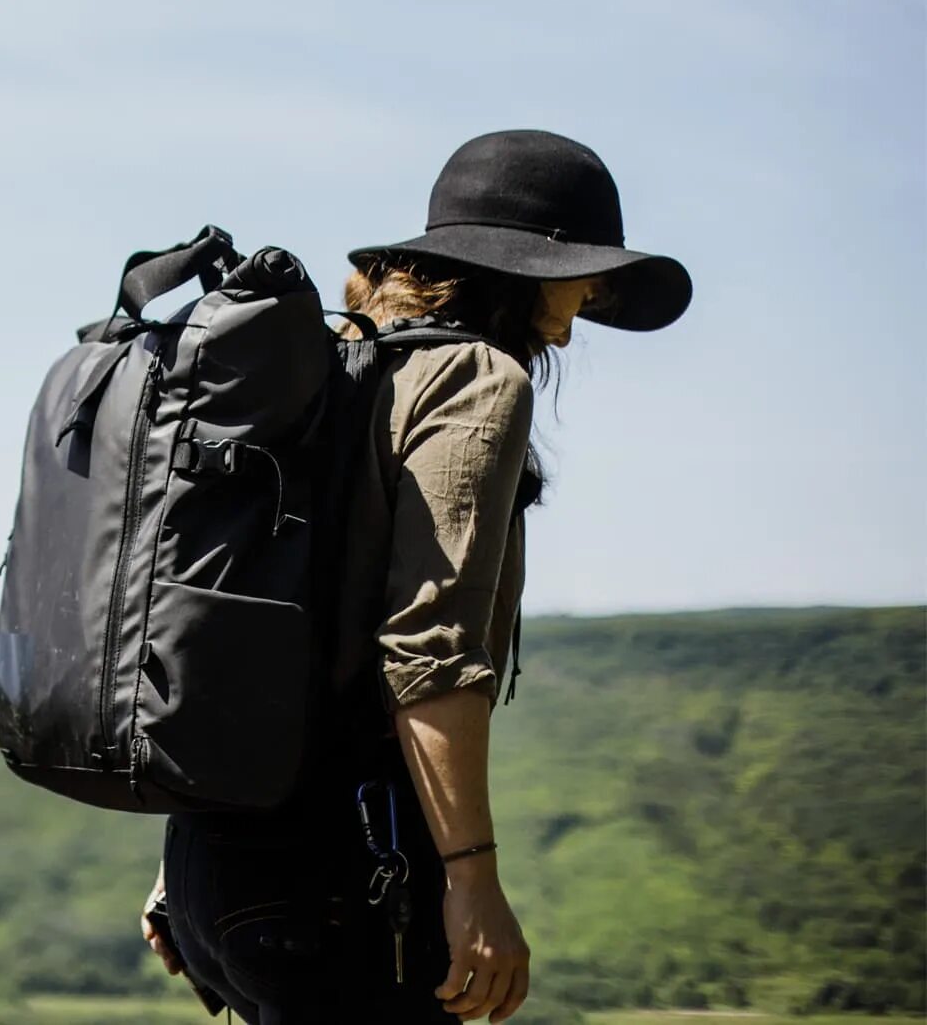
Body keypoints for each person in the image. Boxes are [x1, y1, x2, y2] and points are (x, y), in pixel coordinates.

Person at [136, 130, 692, 1024]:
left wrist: (184, 865)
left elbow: (249, 614)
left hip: (214, 869)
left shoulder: (333, 369)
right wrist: (474, 883)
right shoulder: (474, 379)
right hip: (347, 872)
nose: (592, 296)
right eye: (586, 269)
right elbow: (428, 650)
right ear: (526, 267)